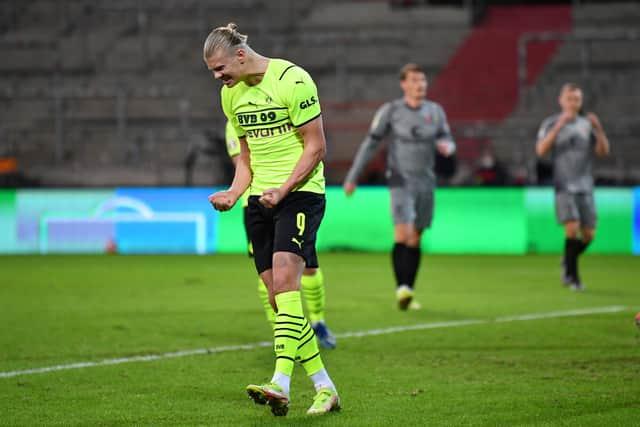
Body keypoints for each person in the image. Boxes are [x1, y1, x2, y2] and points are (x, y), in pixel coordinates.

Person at [205, 23, 340, 416]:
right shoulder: (231, 98)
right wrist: (233, 192)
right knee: (282, 301)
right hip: (259, 201)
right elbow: (245, 161)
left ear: (241, 55)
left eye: (220, 68)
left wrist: (282, 190)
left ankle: (279, 382)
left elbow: (316, 148)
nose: (218, 77)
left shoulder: (292, 80)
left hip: (301, 194)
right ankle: (324, 386)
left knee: (285, 282)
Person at [343, 63, 455, 310]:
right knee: (402, 233)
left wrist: (448, 147)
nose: (420, 85)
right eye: (414, 80)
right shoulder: (391, 111)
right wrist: (353, 176)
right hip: (399, 179)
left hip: (425, 181)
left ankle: (409, 290)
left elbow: (446, 137)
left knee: (416, 236)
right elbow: (370, 144)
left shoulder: (435, 112)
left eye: (423, 80)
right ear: (403, 84)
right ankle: (401, 289)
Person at [225, 120, 336, 349]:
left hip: (292, 199)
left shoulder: (281, 109)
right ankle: (282, 332)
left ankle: (318, 321)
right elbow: (243, 162)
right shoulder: (236, 116)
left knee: (308, 267)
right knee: (268, 272)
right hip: (255, 202)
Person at [535, 82, 610, 291]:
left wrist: (599, 129)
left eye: (576, 99)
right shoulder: (550, 123)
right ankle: (573, 278)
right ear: (561, 100)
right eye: (569, 99)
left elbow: (603, 152)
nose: (573, 103)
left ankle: (568, 259)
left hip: (585, 185)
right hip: (564, 185)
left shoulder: (587, 125)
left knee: (589, 235)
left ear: (581, 101)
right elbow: (540, 150)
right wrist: (559, 125)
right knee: (572, 227)